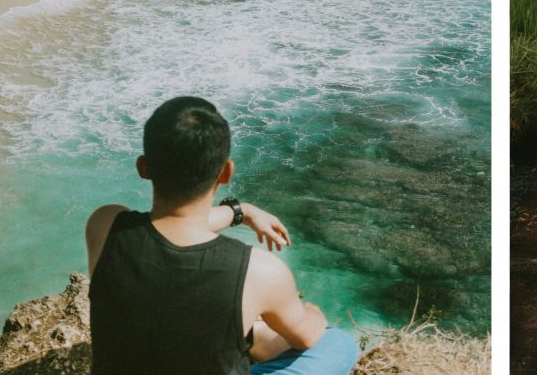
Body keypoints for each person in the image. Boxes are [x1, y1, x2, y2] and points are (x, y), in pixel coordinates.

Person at [85, 97, 358, 375]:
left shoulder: (105, 225)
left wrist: (242, 212)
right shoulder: (259, 272)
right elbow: (308, 338)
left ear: (143, 167)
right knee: (338, 343)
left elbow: (175, 227)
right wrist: (311, 313)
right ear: (226, 172)